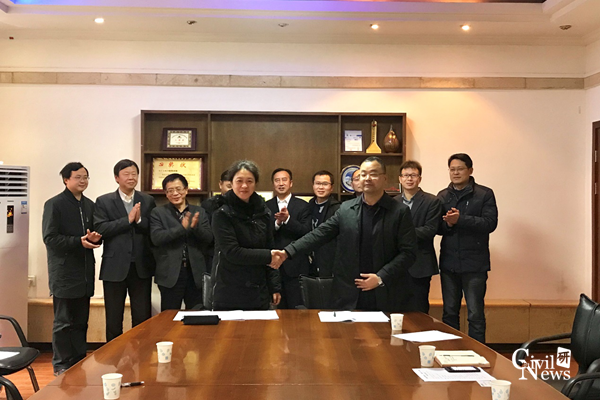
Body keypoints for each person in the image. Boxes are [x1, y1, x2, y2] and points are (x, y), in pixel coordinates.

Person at [273, 157, 417, 312]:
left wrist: (381, 277)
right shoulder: (346, 209)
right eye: (363, 174)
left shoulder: (399, 211)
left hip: (385, 291)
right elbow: (319, 234)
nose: (367, 178)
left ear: (384, 178)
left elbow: (409, 253)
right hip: (349, 293)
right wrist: (288, 252)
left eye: (374, 174)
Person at [42, 162, 101, 376]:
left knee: (81, 321)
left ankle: (78, 360)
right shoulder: (54, 204)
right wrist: (78, 241)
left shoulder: (90, 205)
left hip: (85, 273)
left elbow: (94, 235)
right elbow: (50, 238)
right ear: (66, 180)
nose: (83, 181)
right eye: (78, 177)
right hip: (64, 273)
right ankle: (61, 363)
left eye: (85, 177)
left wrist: (95, 239)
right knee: (63, 322)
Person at [437, 153, 498, 343]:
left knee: (475, 313)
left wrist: (460, 219)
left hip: (475, 265)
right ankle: (450, 350)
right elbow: (437, 228)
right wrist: (448, 224)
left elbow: (490, 223)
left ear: (470, 170)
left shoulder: (484, 194)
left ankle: (478, 352)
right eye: (452, 169)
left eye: (460, 169)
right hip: (449, 264)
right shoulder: (442, 196)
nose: (455, 173)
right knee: (449, 312)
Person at [94, 159, 156, 342]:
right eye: (126, 174)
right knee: (113, 318)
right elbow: (101, 228)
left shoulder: (147, 200)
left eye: (134, 174)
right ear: (116, 178)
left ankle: (142, 352)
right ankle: (113, 355)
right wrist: (127, 220)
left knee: (142, 316)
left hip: (141, 265)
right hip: (114, 266)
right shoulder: (104, 201)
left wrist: (139, 221)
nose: (131, 177)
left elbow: (153, 228)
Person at [211, 160, 282, 310]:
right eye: (239, 181)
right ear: (231, 183)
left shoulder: (264, 212)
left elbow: (270, 246)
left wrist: (274, 286)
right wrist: (268, 256)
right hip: (229, 289)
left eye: (249, 181)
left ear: (255, 183)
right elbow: (232, 252)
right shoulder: (221, 213)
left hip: (259, 289)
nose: (244, 186)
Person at [150, 173, 213, 311]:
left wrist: (195, 228)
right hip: (170, 273)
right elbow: (156, 238)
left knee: (196, 314)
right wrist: (181, 228)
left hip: (195, 273)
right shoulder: (158, 212)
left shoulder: (199, 212)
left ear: (186, 190)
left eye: (178, 189)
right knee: (169, 316)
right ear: (166, 193)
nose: (175, 193)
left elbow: (209, 238)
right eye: (170, 190)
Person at [396, 160, 441, 314]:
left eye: (413, 175)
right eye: (406, 175)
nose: (409, 179)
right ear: (400, 179)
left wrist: (401, 234)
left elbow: (430, 230)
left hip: (420, 264)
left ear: (419, 179)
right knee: (397, 308)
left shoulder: (432, 201)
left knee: (419, 309)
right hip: (396, 265)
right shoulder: (393, 202)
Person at [265, 168, 311, 309]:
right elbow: (262, 234)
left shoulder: (303, 206)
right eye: (277, 180)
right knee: (277, 311)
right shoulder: (266, 206)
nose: (281, 183)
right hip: (272, 266)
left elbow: (307, 232)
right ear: (273, 184)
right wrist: (277, 223)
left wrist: (288, 220)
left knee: (297, 309)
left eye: (284, 180)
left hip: (296, 265)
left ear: (291, 183)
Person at [307, 170, 341, 277]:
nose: (321, 187)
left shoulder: (338, 209)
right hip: (311, 259)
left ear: (332, 187)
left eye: (325, 184)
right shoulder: (308, 206)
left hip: (329, 260)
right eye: (318, 183)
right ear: (313, 186)